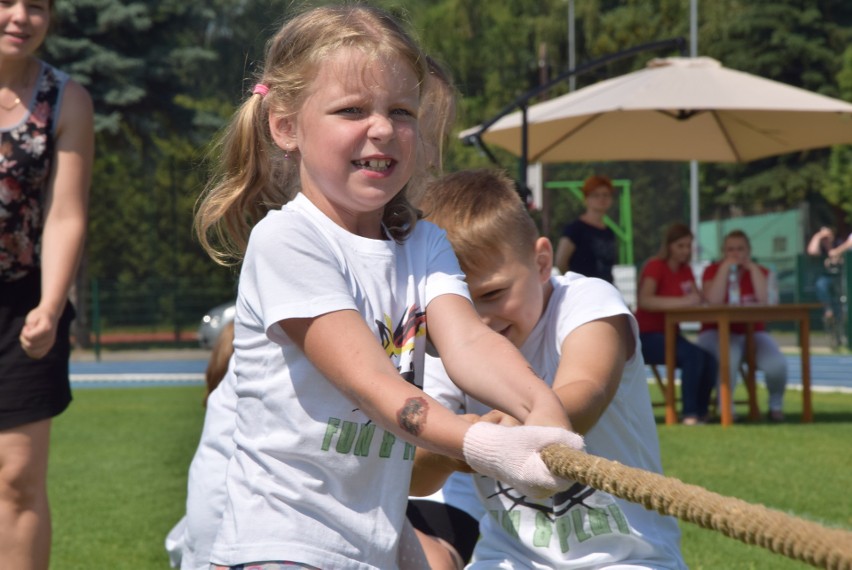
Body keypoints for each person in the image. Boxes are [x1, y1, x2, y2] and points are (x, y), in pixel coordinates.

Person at [192, 6, 581, 569]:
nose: (381, 127)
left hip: (374, 536)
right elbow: (373, 384)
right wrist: (482, 443)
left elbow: (469, 344)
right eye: (351, 109)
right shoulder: (289, 241)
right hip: (283, 543)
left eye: (401, 111)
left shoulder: (425, 245)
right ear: (285, 126)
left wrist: (543, 407)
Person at [411, 169, 686, 568]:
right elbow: (417, 478)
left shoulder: (588, 301)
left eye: (493, 294)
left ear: (542, 263)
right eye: (459, 304)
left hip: (626, 557)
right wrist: (458, 445)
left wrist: (511, 430)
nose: (480, 320)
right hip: (507, 556)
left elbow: (586, 388)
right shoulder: (450, 347)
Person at [0, 1, 95, 569]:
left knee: (17, 479)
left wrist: (51, 306)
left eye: (35, 5)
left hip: (23, 308)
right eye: (6, 1)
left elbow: (65, 214)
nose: (19, 16)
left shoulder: (65, 98)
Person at [697, 230, 788, 422]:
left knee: (777, 364)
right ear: (723, 251)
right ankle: (726, 408)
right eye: (730, 249)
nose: (735, 254)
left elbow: (767, 302)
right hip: (715, 333)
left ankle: (775, 406)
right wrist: (725, 269)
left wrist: (753, 270)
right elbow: (713, 300)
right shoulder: (712, 271)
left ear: (748, 250)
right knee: (730, 355)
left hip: (752, 332)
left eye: (740, 249)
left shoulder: (761, 271)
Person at [634, 223, 717, 425]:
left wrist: (695, 299)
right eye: (680, 245)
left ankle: (701, 412)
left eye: (688, 246)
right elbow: (645, 300)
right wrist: (683, 301)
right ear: (669, 246)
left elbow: (696, 297)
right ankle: (689, 414)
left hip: (670, 334)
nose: (685, 251)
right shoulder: (655, 266)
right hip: (646, 336)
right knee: (693, 356)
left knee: (709, 359)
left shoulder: (685, 270)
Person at [554, 174, 618, 282]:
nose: (601, 199)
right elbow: (561, 262)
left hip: (604, 289)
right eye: (596, 195)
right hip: (583, 291)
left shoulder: (609, 232)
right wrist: (577, 284)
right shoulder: (575, 229)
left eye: (606, 195)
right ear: (586, 199)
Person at [806, 226, 851, 322]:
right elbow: (812, 251)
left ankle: (846, 316)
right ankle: (828, 309)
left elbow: (846, 249)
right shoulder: (820, 247)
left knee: (846, 291)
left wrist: (836, 256)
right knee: (820, 285)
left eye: (828, 235)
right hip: (826, 276)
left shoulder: (838, 243)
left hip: (841, 276)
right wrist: (818, 236)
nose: (826, 238)